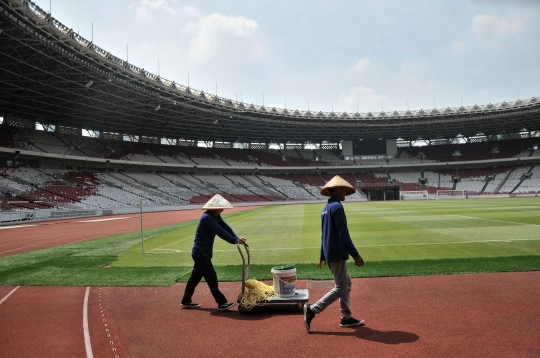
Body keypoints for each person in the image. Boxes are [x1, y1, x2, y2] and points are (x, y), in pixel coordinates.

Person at [304, 175, 365, 331]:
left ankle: (346, 317)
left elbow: (323, 235)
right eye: (344, 191)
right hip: (337, 253)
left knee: (346, 284)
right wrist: (355, 254)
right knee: (341, 287)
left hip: (330, 252)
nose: (345, 193)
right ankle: (313, 309)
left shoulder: (325, 209)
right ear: (338, 190)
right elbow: (343, 234)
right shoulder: (337, 207)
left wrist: (322, 255)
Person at [181, 194, 246, 311]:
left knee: (195, 278)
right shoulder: (207, 218)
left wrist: (236, 238)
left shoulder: (215, 216)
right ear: (214, 208)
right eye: (221, 207)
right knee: (211, 277)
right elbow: (219, 231)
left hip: (201, 253)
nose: (222, 210)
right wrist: (234, 240)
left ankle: (186, 300)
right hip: (201, 254)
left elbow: (226, 227)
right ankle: (222, 302)